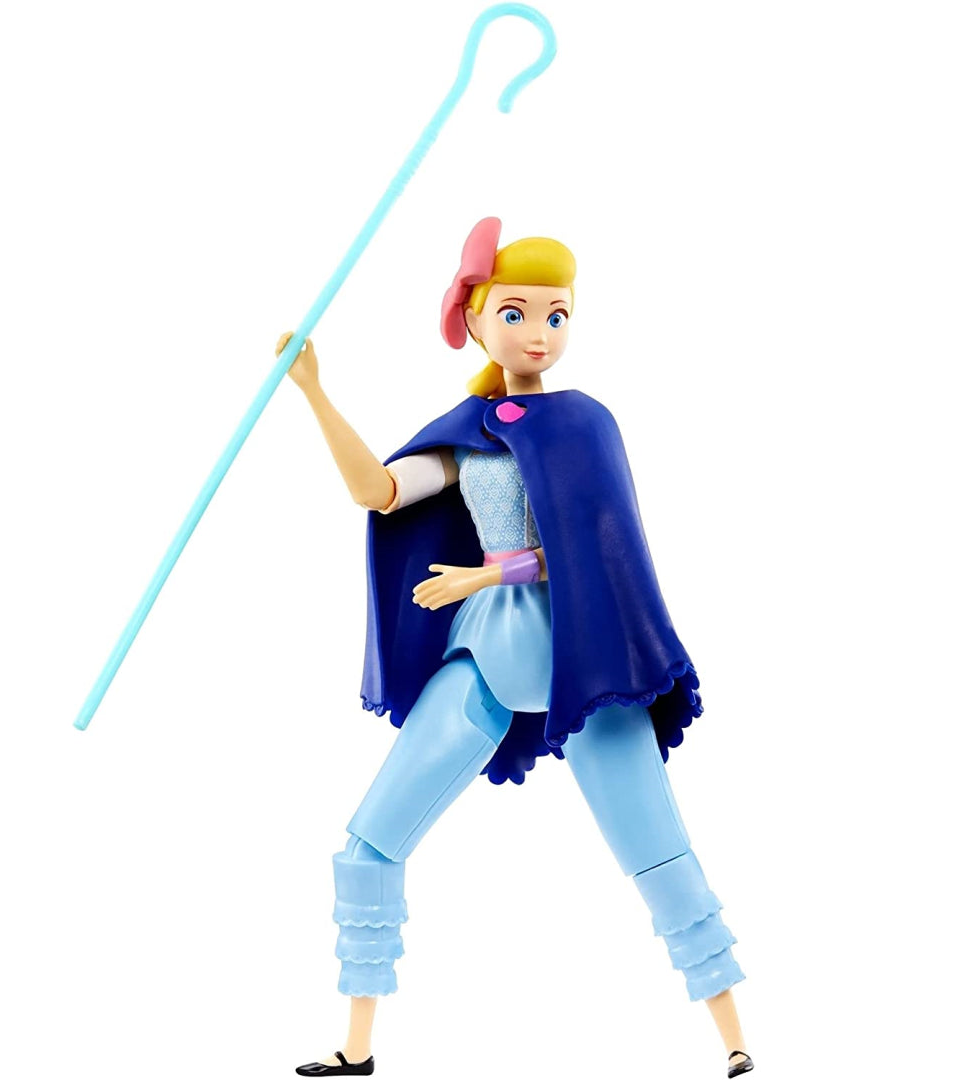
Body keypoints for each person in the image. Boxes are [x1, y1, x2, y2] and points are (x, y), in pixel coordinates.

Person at [279, 218, 753, 1078]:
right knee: (369, 844)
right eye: (517, 312)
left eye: (556, 315)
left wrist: (484, 574)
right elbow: (379, 491)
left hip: (587, 669)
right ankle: (356, 1047)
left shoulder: (586, 424)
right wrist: (314, 392)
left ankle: (735, 1041)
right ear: (475, 319)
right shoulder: (466, 431)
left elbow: (588, 548)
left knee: (660, 852)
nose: (539, 332)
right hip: (487, 663)